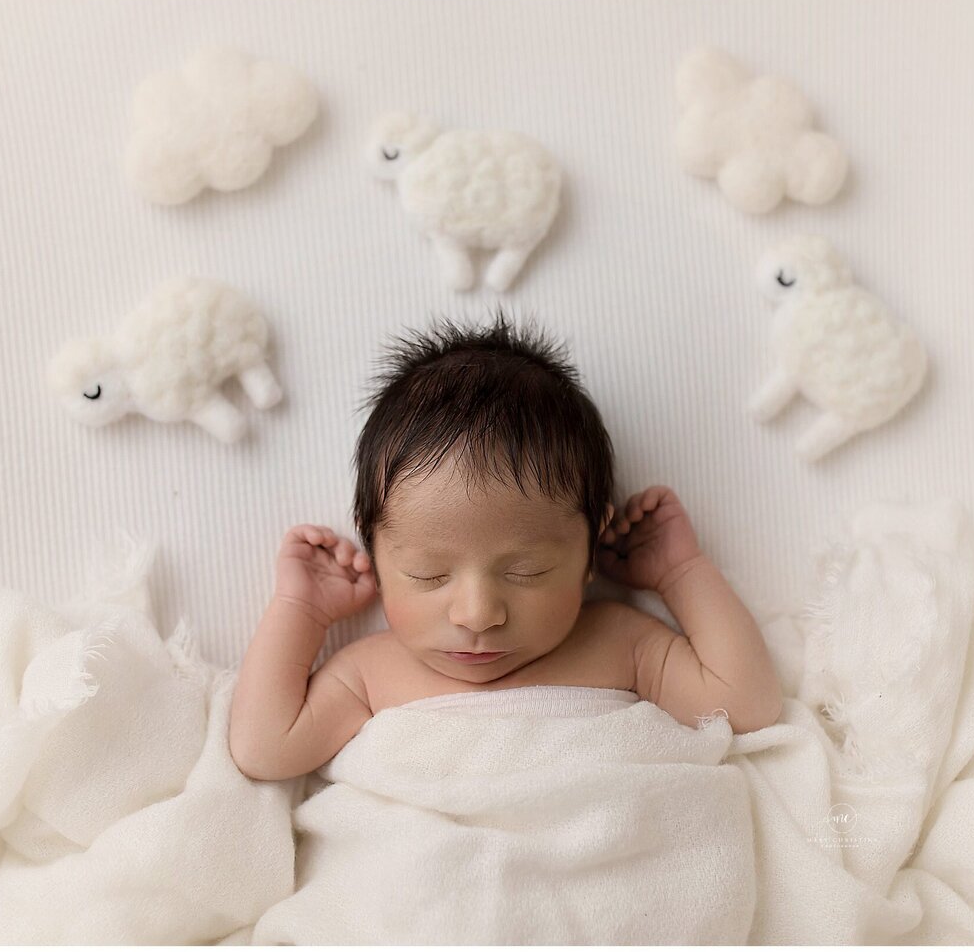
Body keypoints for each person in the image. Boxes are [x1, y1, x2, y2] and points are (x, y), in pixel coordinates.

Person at [229, 313, 782, 781]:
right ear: (373, 552)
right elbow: (265, 748)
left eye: (526, 571)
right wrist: (301, 612)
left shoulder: (619, 641)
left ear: (590, 551)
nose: (478, 615)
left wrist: (681, 571)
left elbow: (748, 707)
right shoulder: (370, 672)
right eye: (427, 574)